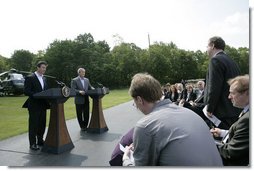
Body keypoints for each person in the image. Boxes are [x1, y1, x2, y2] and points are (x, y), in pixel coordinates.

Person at [122, 73, 223, 166]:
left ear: (139, 100)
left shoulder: (145, 125)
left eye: (134, 102)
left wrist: (126, 160)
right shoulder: (188, 112)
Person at [210, 75, 249, 166]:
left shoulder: (248, 119)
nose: (229, 97)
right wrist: (222, 133)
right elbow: (242, 135)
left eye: (232, 93)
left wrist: (209, 145)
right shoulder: (246, 111)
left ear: (247, 93)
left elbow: (231, 152)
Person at [204, 36, 241, 129]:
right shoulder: (232, 61)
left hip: (222, 112)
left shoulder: (215, 60)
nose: (206, 49)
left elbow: (214, 87)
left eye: (207, 46)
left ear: (212, 46)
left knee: (222, 140)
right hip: (235, 110)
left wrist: (210, 108)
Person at [22, 61, 49, 151]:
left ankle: (40, 140)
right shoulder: (30, 77)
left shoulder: (44, 79)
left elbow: (46, 90)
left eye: (45, 68)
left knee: (42, 124)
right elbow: (26, 91)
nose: (44, 69)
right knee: (33, 125)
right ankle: (32, 143)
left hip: (43, 105)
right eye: (42, 67)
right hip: (34, 105)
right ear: (38, 67)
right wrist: (37, 95)